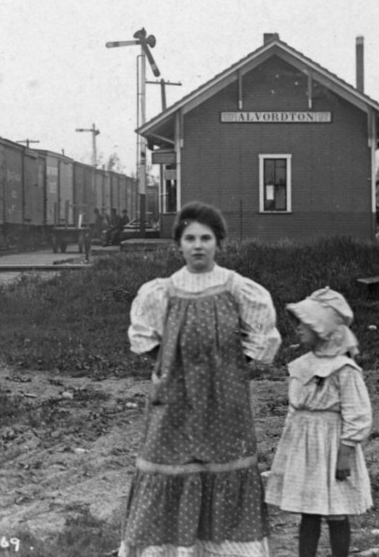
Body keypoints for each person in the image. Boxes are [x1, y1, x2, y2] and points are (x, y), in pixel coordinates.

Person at [119, 201, 281, 557]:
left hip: (225, 404)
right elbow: (144, 337)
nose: (197, 245)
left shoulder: (236, 288)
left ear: (218, 243)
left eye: (205, 238)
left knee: (222, 471)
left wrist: (232, 372)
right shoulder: (163, 291)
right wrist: (166, 369)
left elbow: (262, 338)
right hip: (173, 404)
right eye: (190, 238)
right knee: (170, 469)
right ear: (178, 244)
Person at [265, 288, 372, 557]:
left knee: (335, 509)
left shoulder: (343, 369)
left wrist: (345, 453)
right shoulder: (303, 365)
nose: (298, 329)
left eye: (306, 323)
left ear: (322, 328)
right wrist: (289, 452)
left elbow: (357, 412)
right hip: (304, 447)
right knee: (308, 510)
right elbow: (295, 408)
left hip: (332, 446)